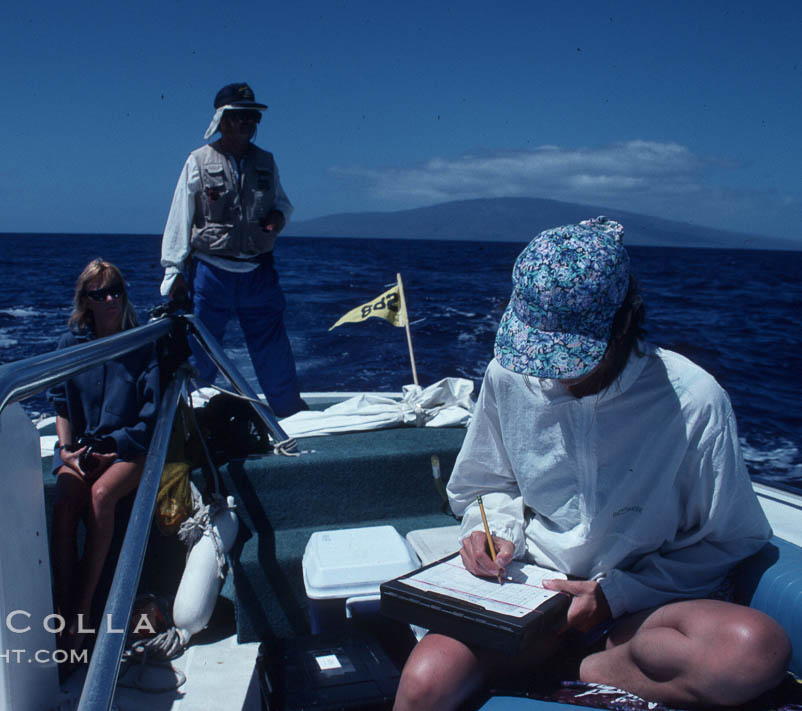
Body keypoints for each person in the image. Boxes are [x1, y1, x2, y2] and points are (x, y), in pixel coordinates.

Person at [394, 217, 791, 710]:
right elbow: (482, 484)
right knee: (423, 685)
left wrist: (614, 595)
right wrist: (492, 529)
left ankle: (567, 671)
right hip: (529, 590)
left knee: (751, 652)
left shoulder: (693, 400)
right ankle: (561, 669)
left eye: (571, 356)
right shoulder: (507, 374)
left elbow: (731, 538)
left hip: (643, 605)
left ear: (623, 323)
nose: (550, 374)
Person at [159, 82, 306, 417]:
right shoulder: (198, 161)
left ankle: (291, 414)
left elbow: (283, 203)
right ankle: (188, 419)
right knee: (201, 352)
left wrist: (277, 218)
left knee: (273, 348)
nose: (248, 123)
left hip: (259, 273)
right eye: (240, 116)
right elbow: (179, 217)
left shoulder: (267, 161)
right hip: (211, 273)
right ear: (222, 120)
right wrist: (173, 272)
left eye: (253, 117)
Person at [49, 259, 159, 653]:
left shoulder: (141, 344)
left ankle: (84, 607)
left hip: (129, 447)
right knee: (64, 504)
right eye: (101, 294)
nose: (111, 299)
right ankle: (64, 612)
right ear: (87, 301)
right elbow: (60, 404)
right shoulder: (69, 346)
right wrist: (67, 452)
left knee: (100, 498)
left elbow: (150, 420)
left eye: (116, 291)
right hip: (83, 448)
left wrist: (112, 452)